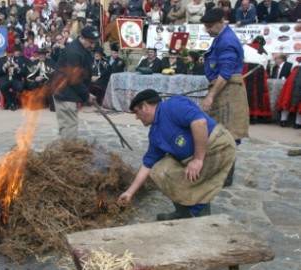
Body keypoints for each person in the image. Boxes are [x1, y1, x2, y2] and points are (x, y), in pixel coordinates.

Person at [117, 89, 236, 220]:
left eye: (136, 112)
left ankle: (200, 219)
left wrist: (198, 160)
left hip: (218, 147)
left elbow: (199, 122)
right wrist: (129, 192)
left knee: (193, 181)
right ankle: (184, 213)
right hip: (196, 156)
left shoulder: (172, 106)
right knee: (160, 170)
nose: (136, 117)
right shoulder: (155, 134)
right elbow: (147, 165)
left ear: (145, 106)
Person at [200, 8, 248, 187]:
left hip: (228, 92)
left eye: (210, 26)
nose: (208, 30)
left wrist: (210, 96)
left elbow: (225, 73)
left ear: (222, 21)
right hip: (221, 88)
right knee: (217, 132)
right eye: (206, 26)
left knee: (228, 134)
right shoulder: (220, 37)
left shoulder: (227, 41)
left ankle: (226, 176)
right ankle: (220, 172)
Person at [53, 25, 98, 138]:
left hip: (70, 91)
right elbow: (74, 79)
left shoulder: (82, 48)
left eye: (95, 42)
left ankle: (66, 151)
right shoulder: (74, 53)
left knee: (68, 126)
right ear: (81, 38)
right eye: (90, 42)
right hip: (65, 92)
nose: (93, 45)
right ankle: (67, 153)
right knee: (69, 127)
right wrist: (86, 94)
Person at [243, 36, 272, 124]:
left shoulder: (245, 47)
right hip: (260, 71)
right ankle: (259, 115)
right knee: (260, 93)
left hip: (248, 69)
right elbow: (266, 66)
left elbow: (241, 58)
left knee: (248, 92)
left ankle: (249, 115)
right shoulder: (265, 52)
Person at [0, 44, 26, 111]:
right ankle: (12, 102)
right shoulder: (1, 60)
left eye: (12, 53)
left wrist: (18, 68)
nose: (10, 54)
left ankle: (9, 102)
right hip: (6, 79)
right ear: (6, 53)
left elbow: (24, 73)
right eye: (9, 53)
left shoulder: (19, 60)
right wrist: (4, 68)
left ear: (14, 52)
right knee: (2, 87)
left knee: (20, 87)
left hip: (15, 79)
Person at [276, 57, 301, 128]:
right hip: (294, 73)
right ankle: (297, 123)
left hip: (293, 74)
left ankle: (283, 120)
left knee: (287, 95)